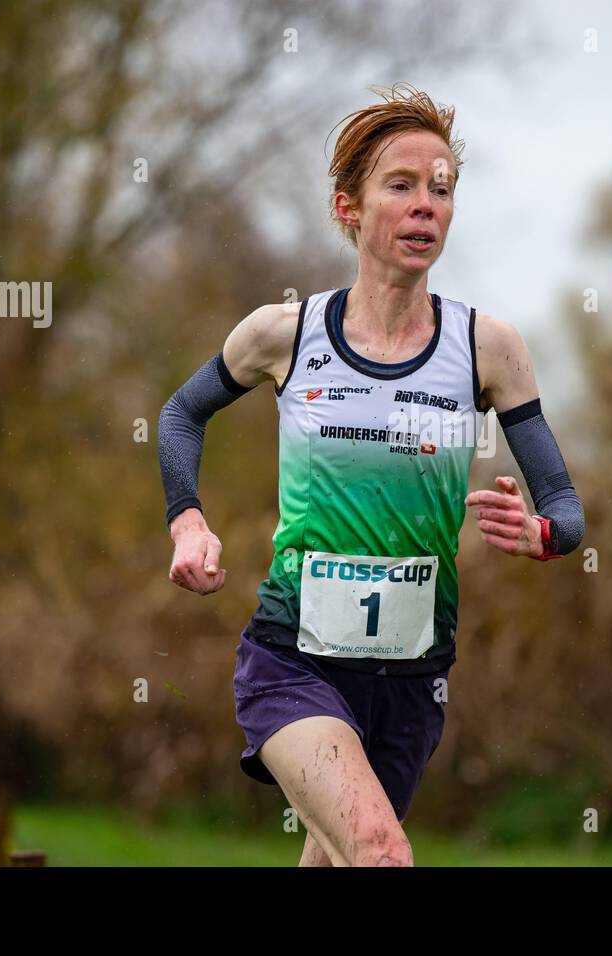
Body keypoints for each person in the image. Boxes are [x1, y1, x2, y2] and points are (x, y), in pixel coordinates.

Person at [157, 83, 584, 866]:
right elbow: (181, 415)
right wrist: (188, 518)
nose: (427, 205)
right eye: (402, 185)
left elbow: (564, 505)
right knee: (383, 853)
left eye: (443, 188)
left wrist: (543, 533)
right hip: (294, 659)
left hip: (413, 678)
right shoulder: (285, 335)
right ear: (348, 207)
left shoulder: (488, 348)